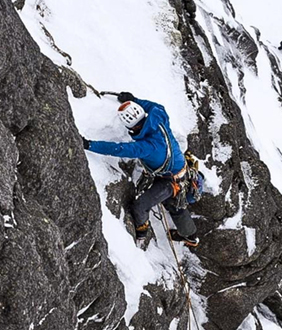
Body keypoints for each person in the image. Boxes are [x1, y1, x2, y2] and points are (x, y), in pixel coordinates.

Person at [83, 93, 199, 247]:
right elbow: (156, 107)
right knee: (174, 204)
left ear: (132, 127)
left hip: (170, 181)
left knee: (147, 206)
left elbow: (119, 149)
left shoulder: (146, 147)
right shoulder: (159, 116)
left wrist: (90, 145)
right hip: (178, 169)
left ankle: (148, 230)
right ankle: (189, 235)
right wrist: (134, 100)